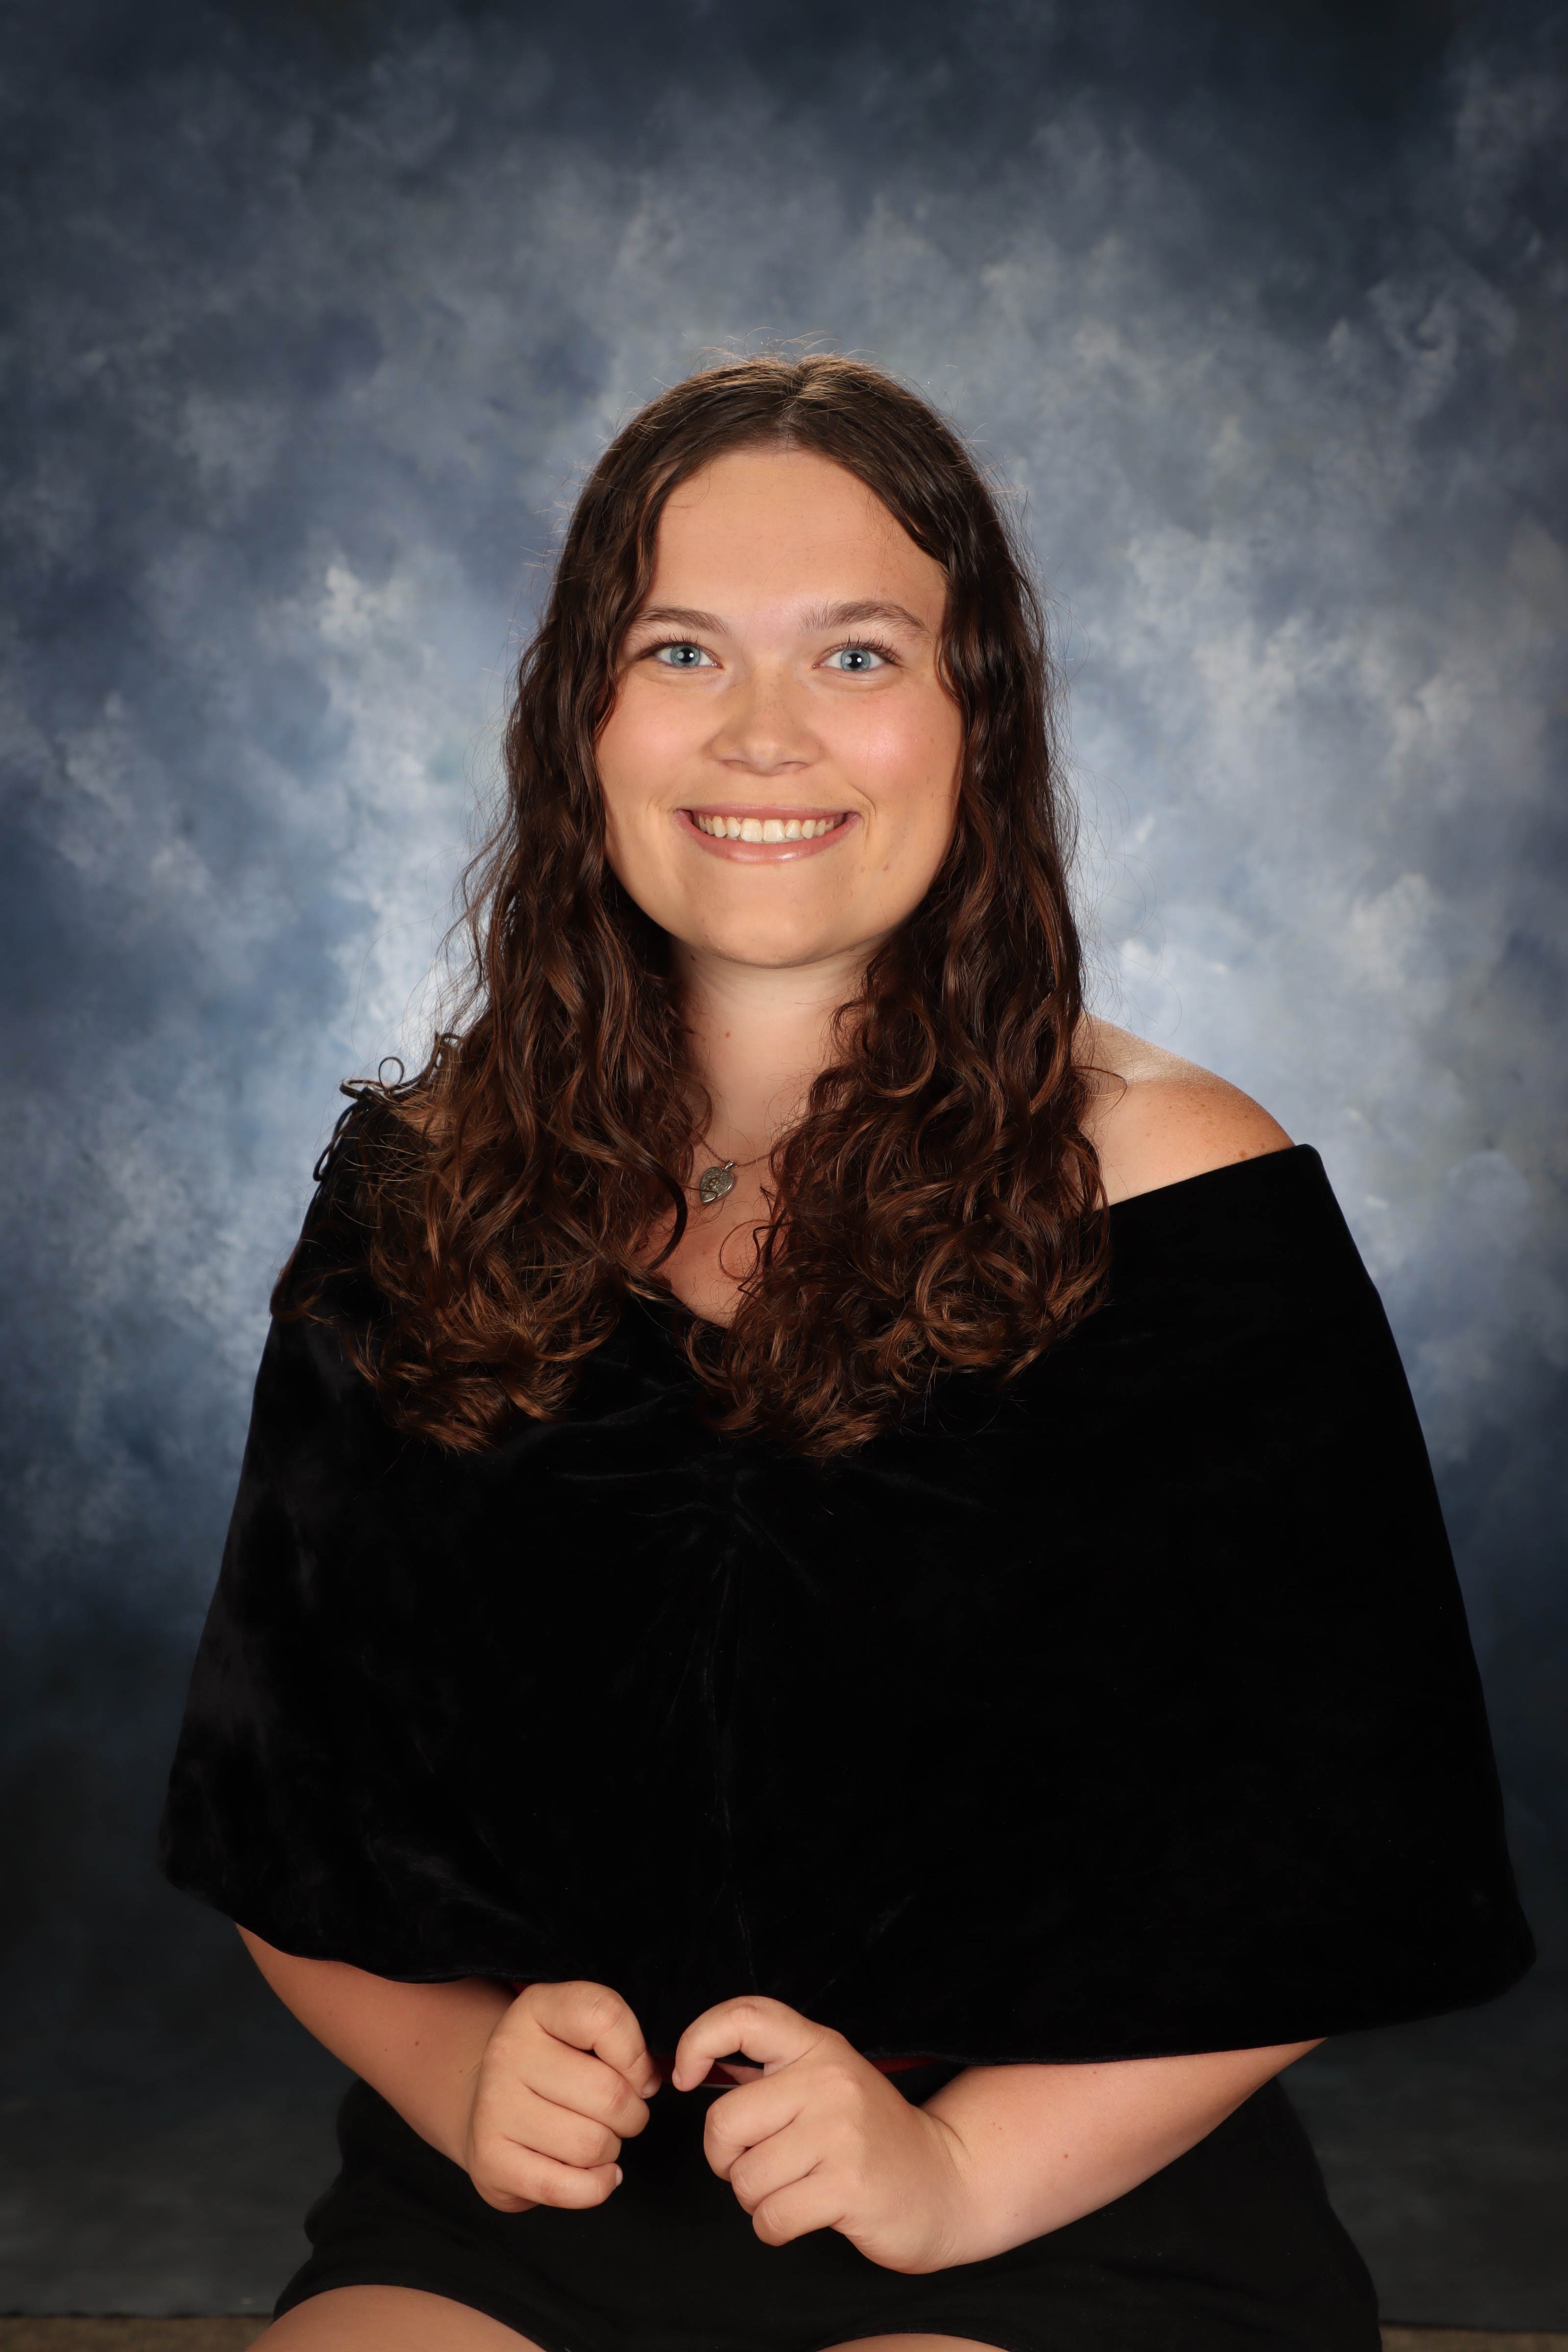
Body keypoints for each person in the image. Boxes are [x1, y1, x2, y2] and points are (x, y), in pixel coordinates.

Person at [159, 355, 1532, 2352]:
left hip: (1052, 2199)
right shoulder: (421, 1190)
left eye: (858, 654)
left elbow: (1337, 1856)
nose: (764, 733)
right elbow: (282, 1808)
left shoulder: (1188, 1196)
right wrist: (459, 2077)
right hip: (537, 2197)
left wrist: (954, 2171)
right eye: (682, 650)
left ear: (979, 718)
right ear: (579, 718)